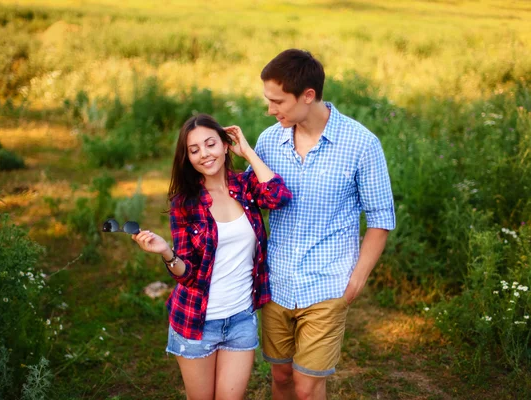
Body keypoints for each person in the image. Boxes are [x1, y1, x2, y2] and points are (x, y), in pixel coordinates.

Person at [251, 49, 396, 399]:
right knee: (282, 377)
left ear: (308, 95)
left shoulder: (362, 144)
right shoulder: (269, 141)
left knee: (306, 387)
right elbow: (248, 199)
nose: (270, 110)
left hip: (328, 286)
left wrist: (356, 280)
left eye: (277, 101)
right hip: (277, 283)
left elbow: (380, 217)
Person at [131, 114, 292, 400]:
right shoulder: (185, 203)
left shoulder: (244, 186)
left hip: (241, 319)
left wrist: (247, 151)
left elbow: (278, 196)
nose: (205, 154)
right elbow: (188, 274)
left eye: (210, 144)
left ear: (225, 145)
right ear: (188, 158)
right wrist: (167, 252)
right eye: (195, 150)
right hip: (197, 322)